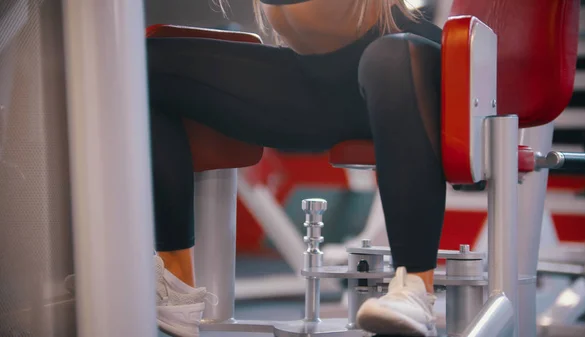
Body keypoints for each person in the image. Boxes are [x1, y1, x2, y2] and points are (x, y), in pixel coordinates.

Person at [148, 0, 445, 336]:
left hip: (403, 66)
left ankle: (416, 288)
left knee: (387, 58)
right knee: (145, 63)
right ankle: (174, 284)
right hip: (315, 84)